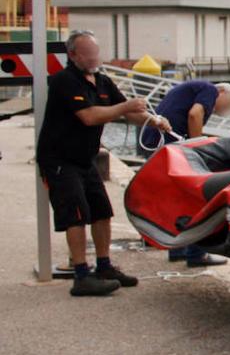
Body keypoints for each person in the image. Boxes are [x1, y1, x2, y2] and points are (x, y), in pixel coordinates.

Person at [37, 30, 172, 297]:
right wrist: (125, 108)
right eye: (87, 53)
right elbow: (89, 116)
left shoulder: (101, 81)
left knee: (101, 211)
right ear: (73, 54)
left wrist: (153, 121)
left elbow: (129, 111)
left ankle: (104, 266)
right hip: (59, 159)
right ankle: (81, 275)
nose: (93, 57)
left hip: (85, 158)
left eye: (95, 52)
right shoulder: (65, 81)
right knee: (76, 215)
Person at [139, 80, 230, 267]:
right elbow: (195, 115)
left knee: (174, 198)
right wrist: (198, 148)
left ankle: (177, 249)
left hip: (155, 140)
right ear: (222, 92)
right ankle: (196, 253)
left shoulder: (188, 89)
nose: (216, 112)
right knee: (195, 196)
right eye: (220, 108)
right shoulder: (210, 90)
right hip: (166, 142)